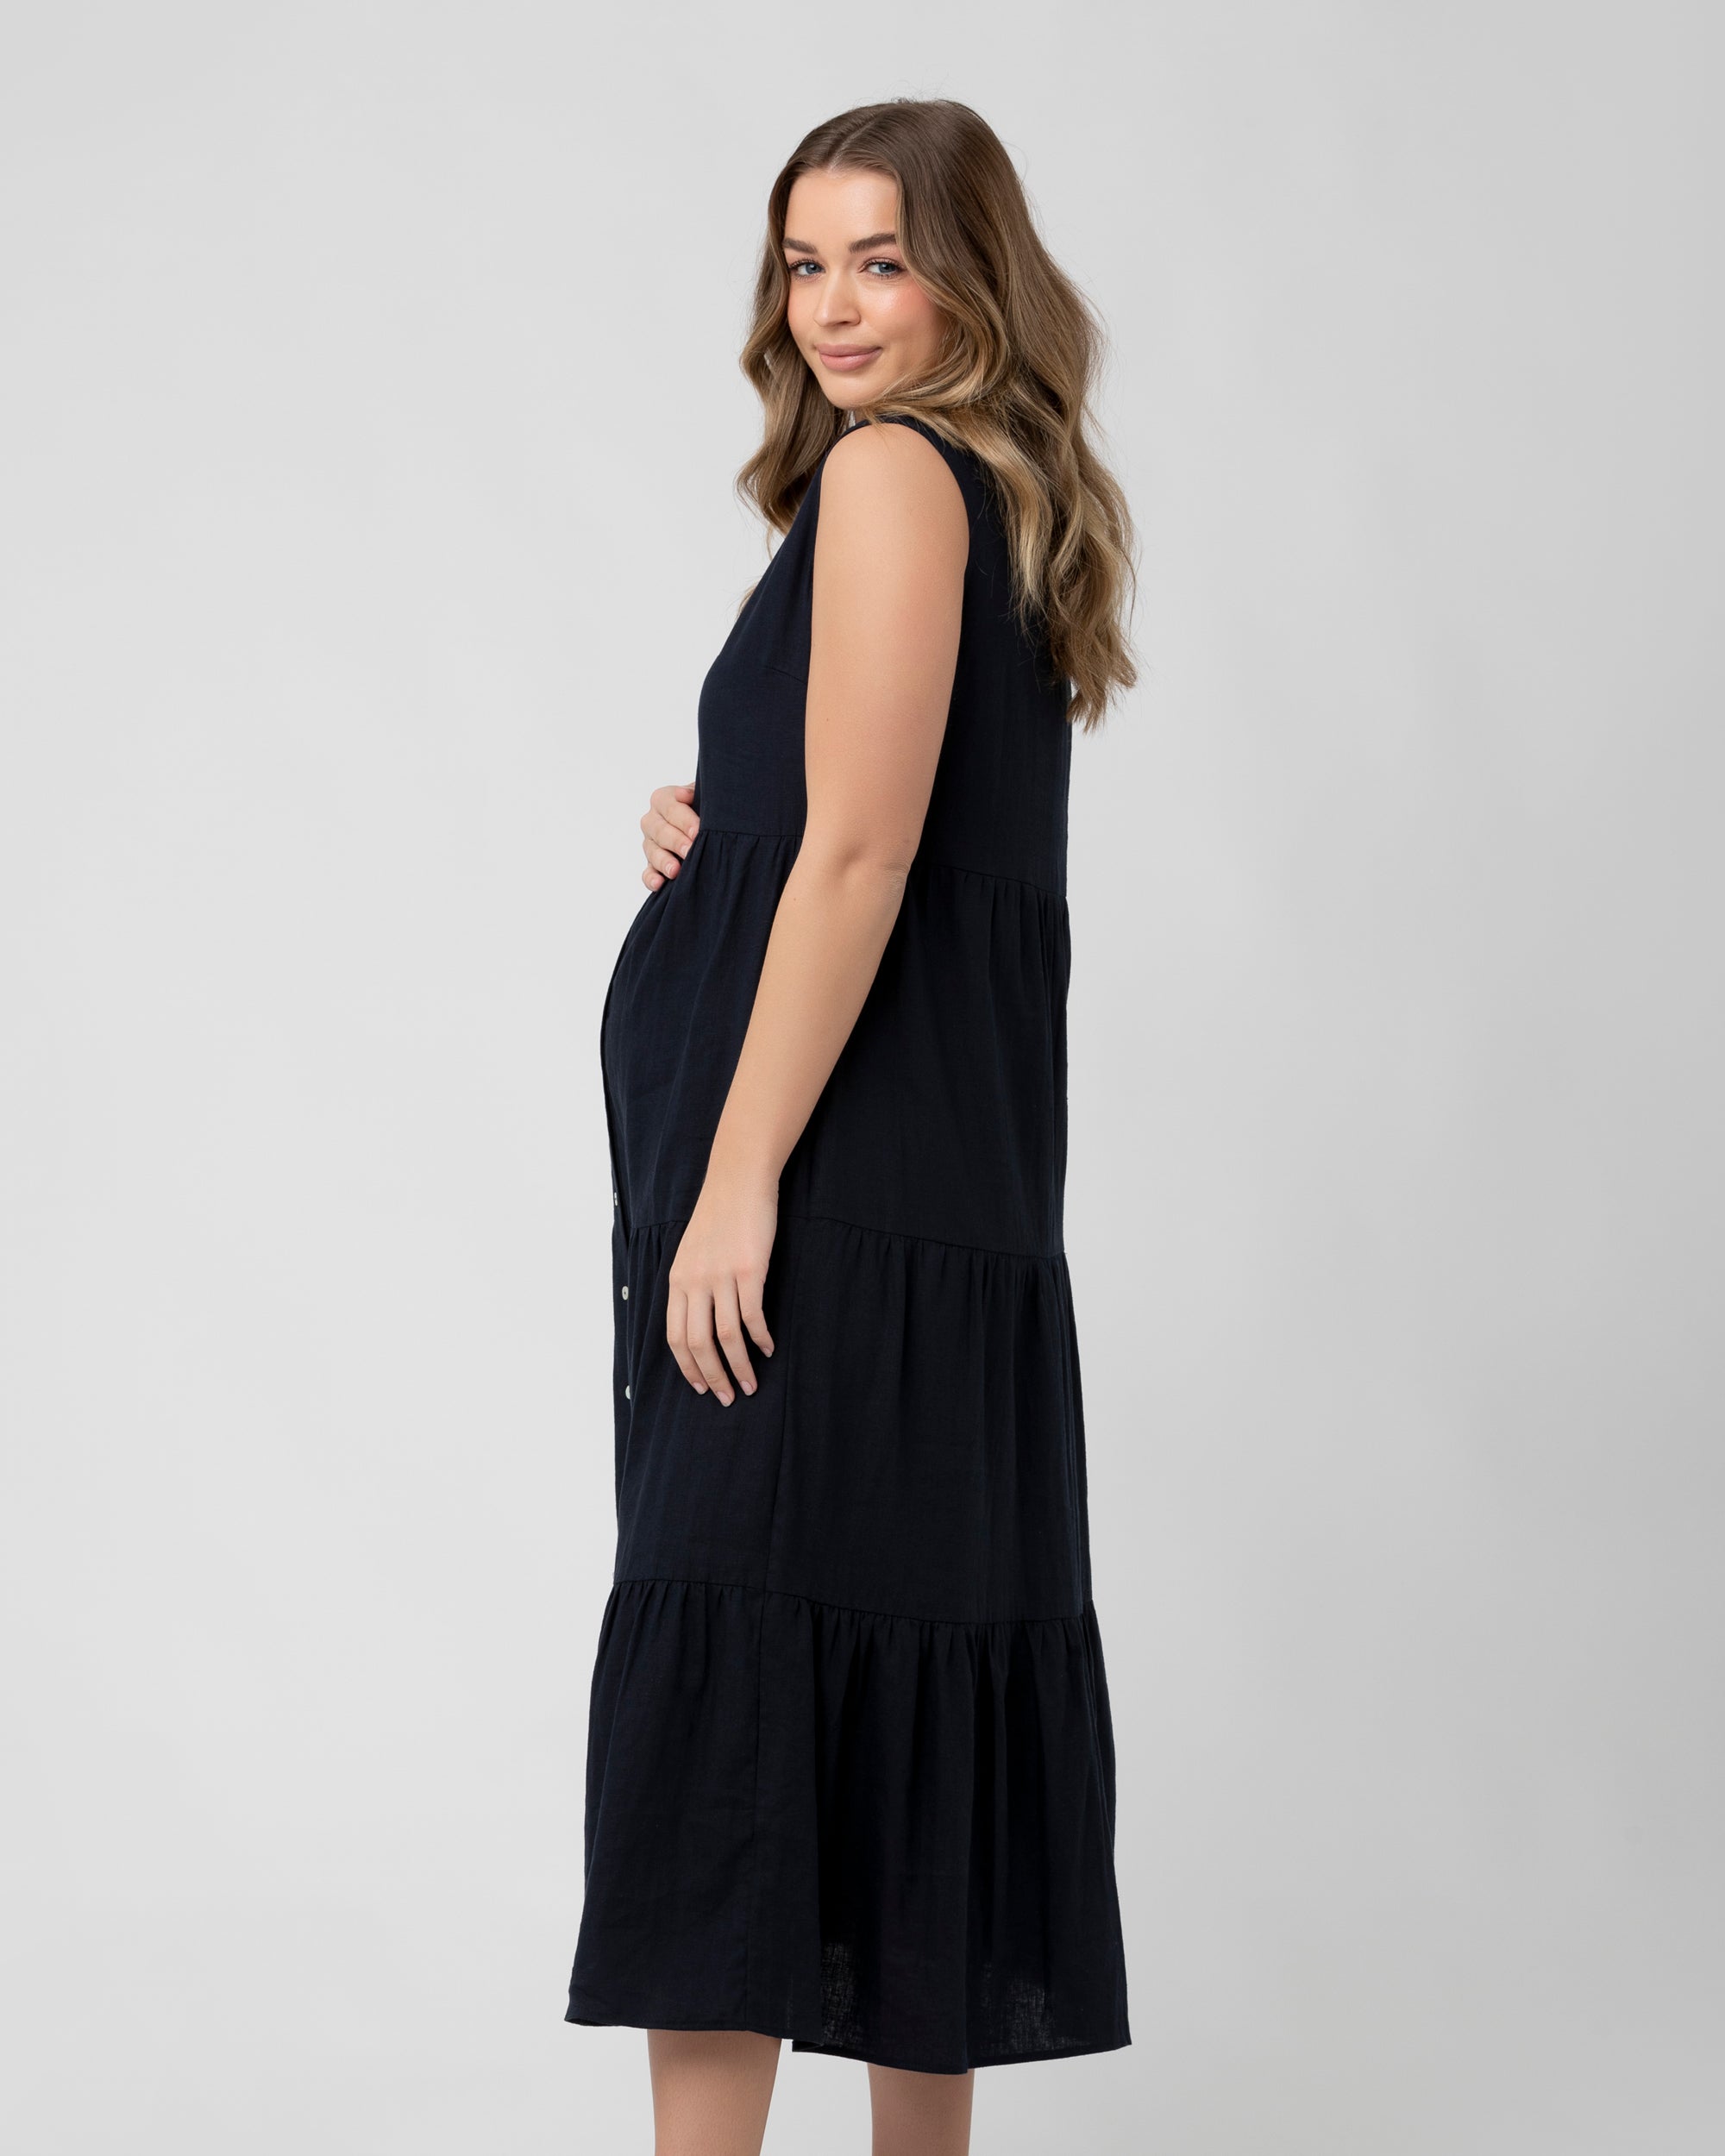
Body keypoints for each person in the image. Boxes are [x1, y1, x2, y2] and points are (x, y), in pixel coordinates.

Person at [566, 97, 1139, 2156]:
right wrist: (712, 827)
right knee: (905, 1724)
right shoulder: (987, 493)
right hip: (927, 1218)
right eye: (804, 264)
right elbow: (854, 818)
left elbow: (870, 854)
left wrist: (735, 1184)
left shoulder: (894, 475)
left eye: (880, 260)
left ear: (971, 273)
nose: (832, 307)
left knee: (727, 1720)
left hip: (824, 1207)